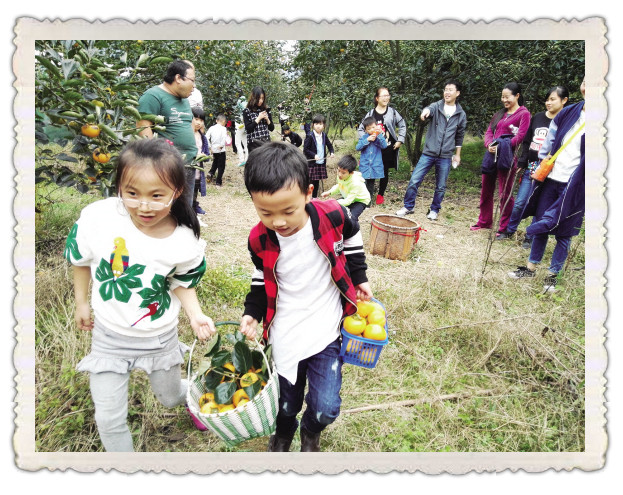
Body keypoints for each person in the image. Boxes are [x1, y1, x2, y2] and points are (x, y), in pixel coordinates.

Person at [64, 139, 217, 452]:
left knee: (170, 397)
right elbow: (79, 258)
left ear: (176, 192)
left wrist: (195, 314)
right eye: (132, 193)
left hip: (158, 338)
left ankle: (195, 398)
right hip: (109, 338)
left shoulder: (183, 239)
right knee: (108, 418)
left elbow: (182, 281)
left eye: (156, 196)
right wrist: (81, 302)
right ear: (119, 186)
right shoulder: (99, 218)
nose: (143, 206)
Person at [239, 141, 372, 452]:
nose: (279, 222)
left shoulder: (332, 214)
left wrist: (359, 276)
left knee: (327, 407)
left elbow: (352, 233)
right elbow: (261, 281)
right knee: (286, 402)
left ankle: (311, 431)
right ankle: (284, 434)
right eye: (265, 212)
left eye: (288, 210)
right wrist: (252, 312)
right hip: (286, 331)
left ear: (308, 193)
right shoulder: (259, 238)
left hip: (326, 329)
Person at [508, 78, 585, 292]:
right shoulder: (569, 113)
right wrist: (541, 165)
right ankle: (531, 268)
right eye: (586, 82)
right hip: (552, 179)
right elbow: (549, 142)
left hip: (576, 185)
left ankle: (552, 276)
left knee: (564, 232)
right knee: (541, 222)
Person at [496, 86, 569, 247]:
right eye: (547, 99)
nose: (548, 103)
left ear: (564, 101)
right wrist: (522, 161)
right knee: (521, 201)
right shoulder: (538, 117)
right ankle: (510, 229)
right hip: (532, 166)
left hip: (551, 170)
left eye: (553, 99)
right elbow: (527, 141)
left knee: (541, 205)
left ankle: (531, 236)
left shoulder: (565, 122)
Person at [396, 80, 467, 221]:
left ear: (457, 93)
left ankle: (434, 209)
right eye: (445, 89)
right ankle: (408, 206)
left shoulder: (460, 114)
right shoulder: (437, 106)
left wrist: (457, 155)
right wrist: (425, 112)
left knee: (440, 186)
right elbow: (428, 109)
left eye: (450, 90)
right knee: (414, 180)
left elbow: (459, 137)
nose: (447, 92)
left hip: (446, 156)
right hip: (429, 153)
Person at [470, 82, 531, 233]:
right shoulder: (499, 114)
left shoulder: (524, 114)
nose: (504, 100)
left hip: (508, 157)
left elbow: (520, 136)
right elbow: (489, 132)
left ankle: (504, 227)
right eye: (502, 97)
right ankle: (484, 221)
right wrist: (489, 144)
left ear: (517, 96)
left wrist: (502, 146)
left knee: (505, 194)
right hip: (491, 156)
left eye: (507, 97)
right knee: (486, 190)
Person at [137, 60, 197, 208]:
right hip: (166, 166)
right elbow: (143, 129)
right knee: (166, 209)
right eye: (192, 81)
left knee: (185, 210)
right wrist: (153, 163)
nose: (194, 86)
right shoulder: (153, 96)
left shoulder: (184, 100)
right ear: (178, 78)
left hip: (189, 163)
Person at [357, 87, 407, 205]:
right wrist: (366, 139)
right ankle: (368, 195)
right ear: (377, 98)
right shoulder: (371, 113)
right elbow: (361, 128)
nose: (386, 98)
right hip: (373, 149)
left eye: (387, 95)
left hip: (387, 147)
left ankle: (380, 194)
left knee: (384, 171)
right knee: (371, 170)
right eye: (383, 96)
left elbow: (402, 124)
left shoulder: (393, 112)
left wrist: (400, 140)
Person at [321, 154, 371, 222]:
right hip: (348, 197)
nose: (339, 174)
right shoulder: (340, 177)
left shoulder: (355, 183)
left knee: (351, 218)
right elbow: (339, 186)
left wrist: (334, 202)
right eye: (338, 170)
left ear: (351, 173)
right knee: (334, 209)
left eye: (343, 173)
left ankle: (353, 229)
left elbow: (348, 201)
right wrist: (329, 192)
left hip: (360, 200)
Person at [356, 116, 388, 202]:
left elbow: (384, 146)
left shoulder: (379, 138)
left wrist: (380, 135)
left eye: (373, 127)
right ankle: (361, 200)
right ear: (366, 130)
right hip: (365, 166)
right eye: (369, 129)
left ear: (377, 126)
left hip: (374, 166)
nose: (371, 130)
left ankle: (368, 202)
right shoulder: (364, 138)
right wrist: (367, 140)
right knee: (363, 183)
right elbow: (358, 147)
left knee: (370, 184)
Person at [303, 114, 335, 198]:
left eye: (320, 124)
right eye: (316, 124)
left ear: (324, 125)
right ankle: (307, 198)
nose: (318, 126)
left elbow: (329, 145)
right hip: (312, 163)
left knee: (316, 181)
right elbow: (305, 150)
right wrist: (314, 155)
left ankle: (314, 198)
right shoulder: (310, 136)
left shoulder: (324, 135)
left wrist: (332, 152)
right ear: (313, 125)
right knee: (311, 182)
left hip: (320, 162)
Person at [243, 86, 274, 154]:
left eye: (262, 98)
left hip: (266, 143)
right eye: (258, 98)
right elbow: (248, 129)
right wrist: (258, 119)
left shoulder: (266, 110)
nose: (261, 101)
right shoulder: (247, 111)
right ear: (254, 98)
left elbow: (272, 128)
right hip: (254, 144)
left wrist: (267, 119)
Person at [191, 107, 209, 217]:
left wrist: (204, 156)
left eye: (201, 120)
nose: (199, 123)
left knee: (196, 188)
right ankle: (189, 207)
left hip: (198, 168)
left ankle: (194, 205)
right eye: (196, 119)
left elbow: (206, 154)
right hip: (188, 167)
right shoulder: (187, 135)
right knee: (188, 189)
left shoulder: (202, 137)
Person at [206, 114, 229, 187]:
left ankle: (211, 173)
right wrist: (222, 145)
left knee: (215, 162)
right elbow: (223, 138)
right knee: (221, 166)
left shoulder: (211, 128)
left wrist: (210, 147)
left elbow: (206, 137)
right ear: (224, 122)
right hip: (221, 150)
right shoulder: (223, 128)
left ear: (216, 121)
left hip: (214, 149)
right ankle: (218, 182)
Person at [234, 95, 249, 166]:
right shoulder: (245, 101)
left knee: (237, 142)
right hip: (244, 125)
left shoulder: (239, 101)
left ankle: (241, 160)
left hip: (239, 124)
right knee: (245, 142)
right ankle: (247, 159)